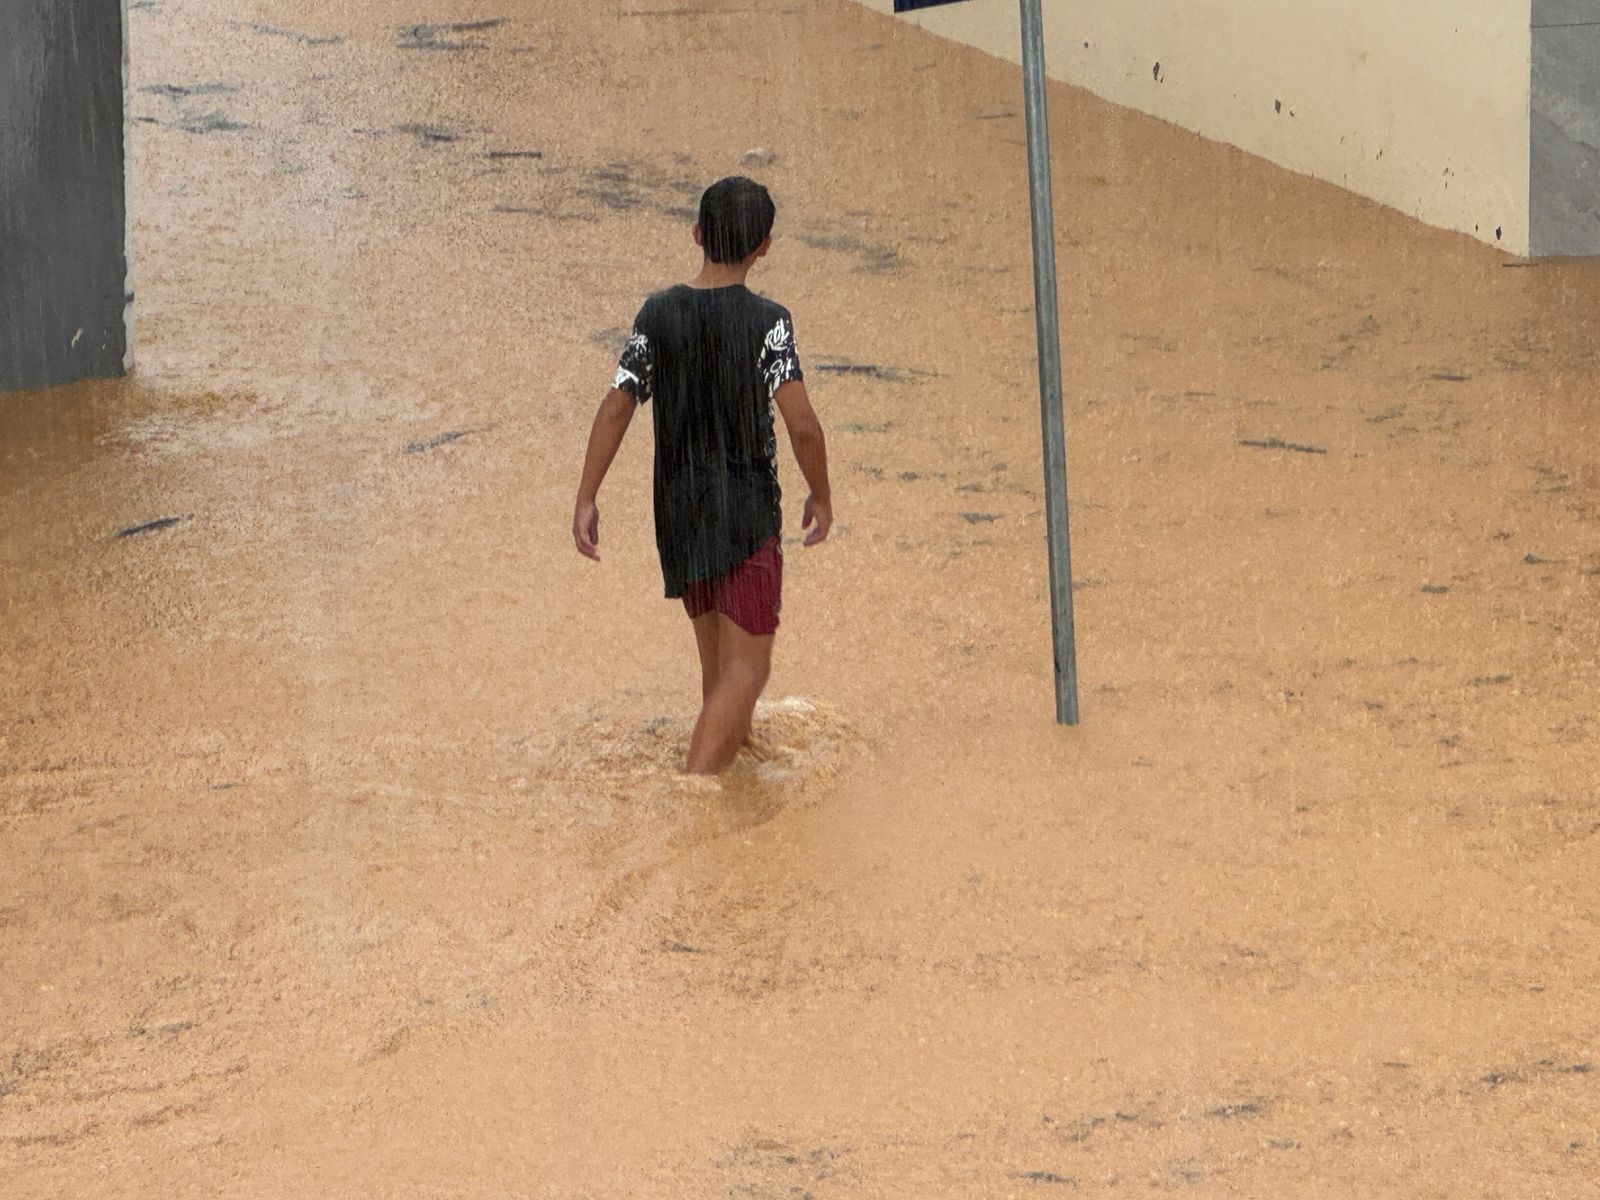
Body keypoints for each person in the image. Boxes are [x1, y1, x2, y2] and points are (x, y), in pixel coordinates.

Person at [572, 176, 833, 776]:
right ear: (765, 245)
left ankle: (730, 764)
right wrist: (820, 492)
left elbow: (618, 403)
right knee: (750, 670)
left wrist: (587, 494)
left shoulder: (657, 314)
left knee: (718, 668)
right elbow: (803, 427)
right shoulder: (769, 322)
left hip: (679, 515)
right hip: (744, 515)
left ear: (696, 234)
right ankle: (695, 794)